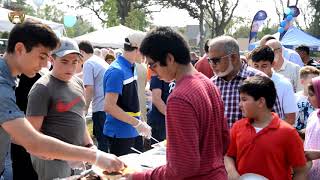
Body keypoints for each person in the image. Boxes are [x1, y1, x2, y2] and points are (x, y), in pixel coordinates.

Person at [0, 20, 124, 179]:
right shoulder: (4, 86)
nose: (46, 63)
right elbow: (32, 140)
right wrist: (95, 156)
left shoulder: (10, 79)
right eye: (42, 56)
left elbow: (19, 136)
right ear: (19, 49)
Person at [128, 27, 229, 179]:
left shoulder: (179, 98)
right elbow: (225, 140)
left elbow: (182, 168)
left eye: (152, 65)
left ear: (169, 59)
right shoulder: (209, 84)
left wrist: (140, 177)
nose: (152, 72)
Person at [25, 37, 103, 179]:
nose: (71, 67)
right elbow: (31, 134)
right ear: (52, 59)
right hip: (53, 161)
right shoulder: (42, 88)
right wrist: (63, 155)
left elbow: (79, 117)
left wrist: (89, 145)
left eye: (75, 62)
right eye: (64, 61)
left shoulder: (78, 82)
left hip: (78, 156)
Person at [225, 76, 307, 180]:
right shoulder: (238, 127)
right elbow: (228, 155)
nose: (239, 104)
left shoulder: (288, 132)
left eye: (244, 99)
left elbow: (300, 170)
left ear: (261, 102)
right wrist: (231, 171)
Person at [210, 36, 283, 128]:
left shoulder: (260, 80)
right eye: (209, 60)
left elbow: (275, 122)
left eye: (216, 60)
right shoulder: (210, 85)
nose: (212, 65)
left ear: (233, 57)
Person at [103, 32, 152, 156]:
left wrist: (140, 121)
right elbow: (109, 106)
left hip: (132, 130)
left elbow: (130, 102)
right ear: (138, 49)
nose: (146, 56)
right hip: (120, 133)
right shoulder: (117, 71)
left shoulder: (132, 66)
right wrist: (137, 123)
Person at [250, 45, 297, 125]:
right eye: (256, 66)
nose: (259, 70)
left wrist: (269, 131)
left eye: (264, 66)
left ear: (273, 64)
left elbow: (290, 119)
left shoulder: (284, 84)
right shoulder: (247, 82)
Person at [78, 41, 110, 152]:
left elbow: (89, 88)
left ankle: (104, 166)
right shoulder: (99, 61)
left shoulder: (88, 63)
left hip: (100, 107)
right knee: (106, 140)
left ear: (81, 52)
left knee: (102, 141)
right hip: (108, 106)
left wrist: (85, 108)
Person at [147, 75, 175, 143]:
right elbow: (156, 99)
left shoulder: (178, 72)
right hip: (160, 122)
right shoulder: (158, 73)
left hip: (173, 120)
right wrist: (172, 117)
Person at [304, 76, 320, 179]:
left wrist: (318, 154)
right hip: (310, 171)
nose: (307, 98)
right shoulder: (314, 115)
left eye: (311, 95)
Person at [295, 66, 320, 132]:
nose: (314, 84)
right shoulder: (294, 98)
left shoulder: (318, 98)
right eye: (311, 81)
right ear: (302, 81)